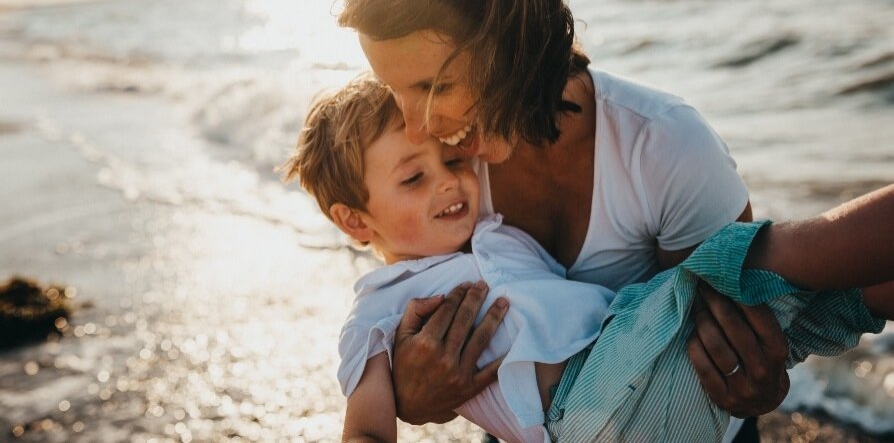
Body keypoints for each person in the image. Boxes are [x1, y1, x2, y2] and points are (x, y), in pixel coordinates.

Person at [336, 0, 787, 440]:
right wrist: (414, 393)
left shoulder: (664, 147)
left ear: (513, 45)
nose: (416, 126)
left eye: (435, 86)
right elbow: (417, 303)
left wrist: (757, 381)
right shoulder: (442, 168)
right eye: (392, 91)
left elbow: (733, 345)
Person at [281, 75, 892, 443]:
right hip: (587, 404)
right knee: (743, 264)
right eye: (414, 178)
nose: (450, 183)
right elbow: (365, 428)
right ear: (354, 220)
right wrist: (406, 399)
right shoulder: (379, 311)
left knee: (823, 305)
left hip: (644, 386)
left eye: (452, 162)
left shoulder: (495, 235)